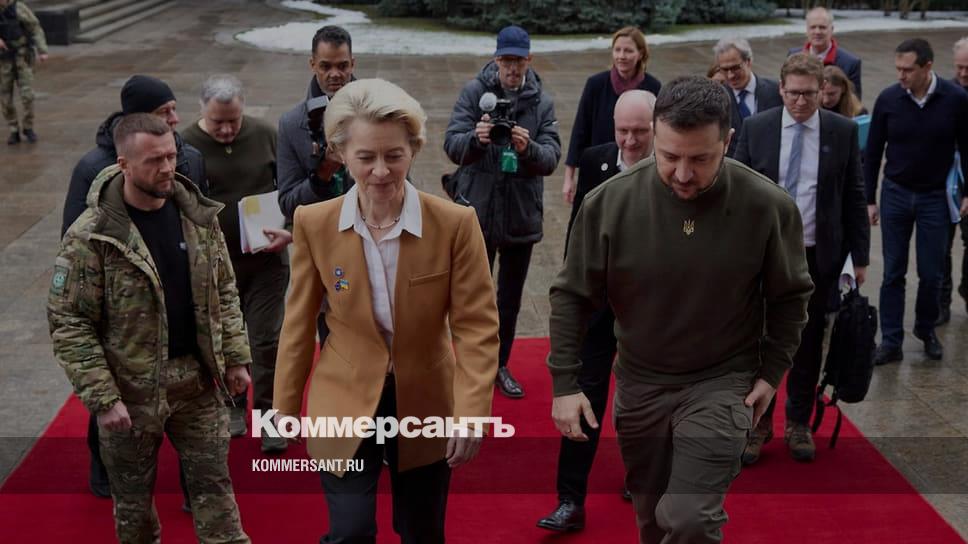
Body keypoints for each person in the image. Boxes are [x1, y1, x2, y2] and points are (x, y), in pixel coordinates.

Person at [548, 75, 813, 544]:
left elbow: (791, 296)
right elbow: (572, 295)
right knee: (652, 522)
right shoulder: (609, 202)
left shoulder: (767, 206)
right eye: (669, 157)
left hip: (723, 382)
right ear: (654, 135)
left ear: (728, 142)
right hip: (641, 385)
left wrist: (772, 372)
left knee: (689, 518)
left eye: (701, 159)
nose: (684, 174)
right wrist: (565, 384)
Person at [273, 78, 500, 544]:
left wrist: (471, 412)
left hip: (426, 398)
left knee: (421, 531)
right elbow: (297, 322)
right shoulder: (314, 223)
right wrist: (285, 405)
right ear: (341, 153)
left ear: (413, 149)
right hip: (344, 394)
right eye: (366, 157)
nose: (380, 171)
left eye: (394, 155)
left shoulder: (455, 225)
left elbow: (476, 327)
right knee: (350, 531)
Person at [48, 113, 252, 544]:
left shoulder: (197, 215)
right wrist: (102, 398)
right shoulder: (91, 237)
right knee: (134, 511)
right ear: (123, 164)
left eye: (171, 156)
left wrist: (235, 357)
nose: (167, 168)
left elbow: (224, 289)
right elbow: (69, 322)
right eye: (154, 160)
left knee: (218, 499)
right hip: (131, 394)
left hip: (197, 384)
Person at [61, 73, 206, 501]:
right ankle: (105, 469)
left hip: (176, 285)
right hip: (123, 304)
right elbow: (74, 238)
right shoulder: (93, 167)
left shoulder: (188, 156)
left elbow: (200, 215)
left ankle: (192, 482)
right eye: (164, 112)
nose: (175, 119)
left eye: (174, 109)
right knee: (118, 396)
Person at [734, 54, 870, 464]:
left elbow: (854, 194)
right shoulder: (757, 128)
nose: (800, 102)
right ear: (780, 89)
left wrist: (860, 257)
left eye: (809, 94)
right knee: (759, 339)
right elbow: (735, 191)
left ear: (822, 91)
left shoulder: (841, 131)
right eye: (793, 93)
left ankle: (798, 422)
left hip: (816, 254)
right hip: (763, 254)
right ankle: (758, 423)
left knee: (808, 342)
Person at [538, 89, 655, 533]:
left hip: (649, 312)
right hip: (599, 305)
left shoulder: (671, 167)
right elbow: (578, 230)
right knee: (583, 397)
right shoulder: (595, 160)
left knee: (644, 400)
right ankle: (570, 500)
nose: (630, 140)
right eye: (623, 131)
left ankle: (642, 478)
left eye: (640, 132)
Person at [443, 25, 561, 399]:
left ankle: (500, 365)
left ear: (529, 60)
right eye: (506, 60)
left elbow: (551, 158)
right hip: (477, 212)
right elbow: (452, 145)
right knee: (471, 298)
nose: (511, 67)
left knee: (509, 300)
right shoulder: (474, 92)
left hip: (520, 214)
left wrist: (528, 148)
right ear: (496, 59)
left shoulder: (541, 102)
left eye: (518, 61)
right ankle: (469, 365)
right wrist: (476, 140)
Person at [181, 74, 290, 452]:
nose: (227, 130)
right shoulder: (184, 145)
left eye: (234, 120)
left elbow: (291, 190)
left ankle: (268, 416)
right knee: (225, 341)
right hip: (213, 267)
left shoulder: (266, 135)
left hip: (266, 262)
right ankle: (231, 405)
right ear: (201, 111)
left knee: (266, 340)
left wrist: (289, 229)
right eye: (218, 122)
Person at [866, 38, 968, 365]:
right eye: (898, 68)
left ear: (927, 67)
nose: (901, 75)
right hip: (895, 193)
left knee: (931, 273)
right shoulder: (888, 99)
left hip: (935, 197)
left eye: (908, 69)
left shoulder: (956, 99)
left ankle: (926, 330)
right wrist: (869, 199)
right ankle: (891, 341)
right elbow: (872, 152)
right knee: (892, 272)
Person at [561, 26, 661, 203]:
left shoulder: (653, 87)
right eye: (617, 50)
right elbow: (580, 130)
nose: (621, 56)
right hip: (600, 168)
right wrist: (569, 177)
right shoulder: (596, 84)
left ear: (640, 54)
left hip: (639, 167)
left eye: (628, 50)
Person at [277, 25, 356, 222]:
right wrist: (322, 174)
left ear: (352, 64)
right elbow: (288, 205)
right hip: (320, 233)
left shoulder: (378, 112)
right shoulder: (292, 124)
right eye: (325, 66)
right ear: (312, 64)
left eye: (342, 66)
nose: (335, 74)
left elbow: (402, 186)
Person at [939, 36, 968, 324]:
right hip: (944, 181)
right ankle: (942, 301)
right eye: (959, 67)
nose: (963, 73)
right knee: (941, 246)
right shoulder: (945, 93)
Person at [714, 37, 783, 157]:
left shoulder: (776, 90)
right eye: (724, 69)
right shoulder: (717, 97)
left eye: (735, 68)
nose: (730, 75)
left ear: (749, 61)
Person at [788, 7, 863, 98]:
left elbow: (854, 102)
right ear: (807, 30)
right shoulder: (793, 56)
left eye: (822, 27)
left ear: (831, 29)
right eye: (813, 27)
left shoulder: (850, 63)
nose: (817, 32)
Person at [0, 0, 47, 144]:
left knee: (27, 95)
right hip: (3, 61)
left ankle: (28, 127)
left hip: (22, 58)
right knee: (5, 97)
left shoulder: (18, 7)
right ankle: (13, 129)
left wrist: (42, 49)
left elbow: (35, 27)